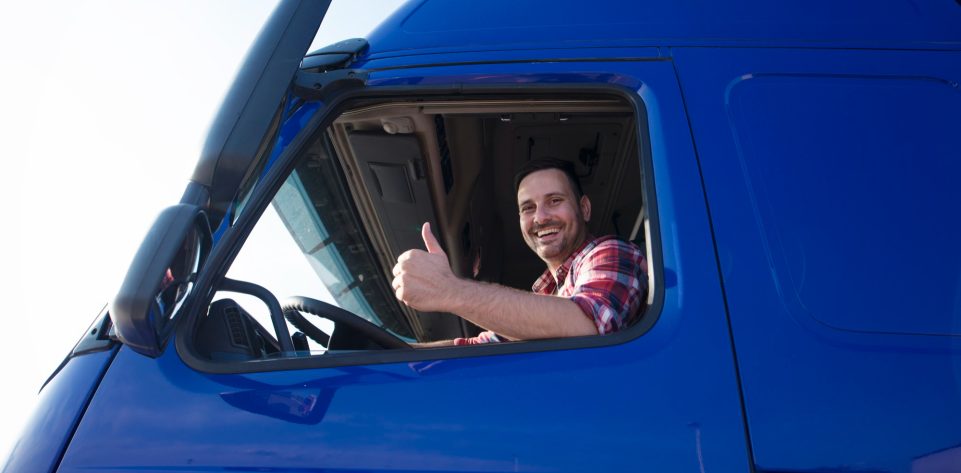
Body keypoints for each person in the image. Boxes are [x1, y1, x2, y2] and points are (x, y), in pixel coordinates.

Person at [391, 158, 648, 346]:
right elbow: (472, 348)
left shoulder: (611, 251)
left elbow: (587, 325)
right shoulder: (545, 297)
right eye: (527, 208)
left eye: (554, 201)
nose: (540, 217)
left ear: (585, 208)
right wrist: (395, 354)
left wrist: (447, 289)